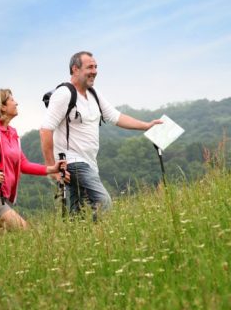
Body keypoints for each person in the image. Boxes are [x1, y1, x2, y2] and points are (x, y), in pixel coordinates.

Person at [40, 51, 162, 220]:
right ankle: (102, 237)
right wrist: (51, 168)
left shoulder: (93, 93)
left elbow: (116, 117)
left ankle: (82, 241)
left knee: (77, 214)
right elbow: (45, 130)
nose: (95, 71)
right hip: (73, 162)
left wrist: (146, 125)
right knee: (104, 202)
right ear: (75, 69)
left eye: (96, 67)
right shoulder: (64, 94)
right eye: (90, 67)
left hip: (90, 162)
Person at [0, 88, 66, 241]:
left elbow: (23, 164)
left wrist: (51, 169)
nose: (16, 102)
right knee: (28, 233)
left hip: (3, 196)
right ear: (2, 106)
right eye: (12, 100)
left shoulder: (12, 132)